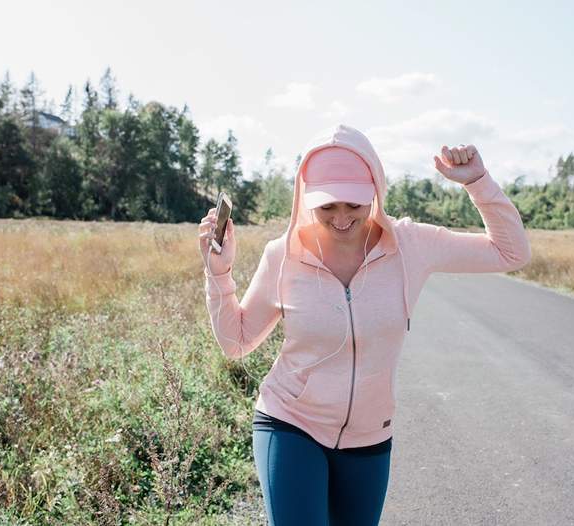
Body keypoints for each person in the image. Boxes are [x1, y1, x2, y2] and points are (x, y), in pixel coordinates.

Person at [198, 124, 531, 525]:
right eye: (327, 206)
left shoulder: (411, 245)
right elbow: (236, 341)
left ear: (375, 190)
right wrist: (219, 274)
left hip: (370, 436)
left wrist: (478, 182)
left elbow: (510, 252)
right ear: (307, 200)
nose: (340, 219)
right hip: (290, 423)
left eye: (354, 205)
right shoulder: (283, 255)